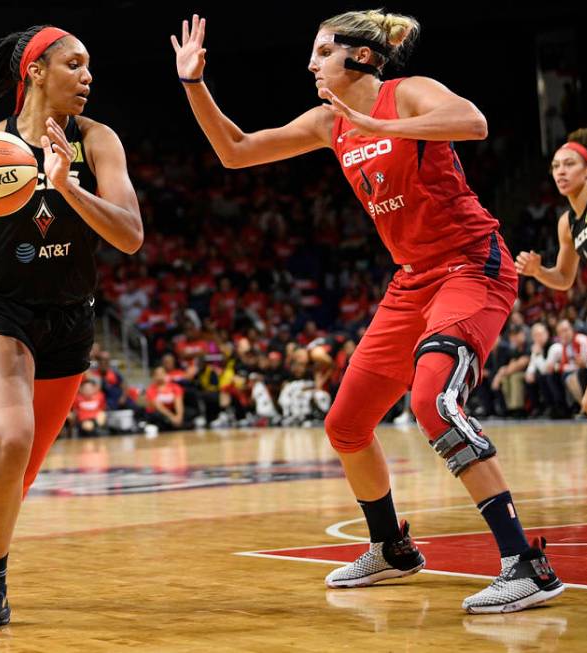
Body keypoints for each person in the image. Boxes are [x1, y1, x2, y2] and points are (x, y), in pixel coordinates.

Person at [172, 9, 562, 613]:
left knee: (432, 400)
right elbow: (236, 150)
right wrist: (194, 84)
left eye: (322, 51)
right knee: (345, 423)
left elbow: (474, 122)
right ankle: (390, 548)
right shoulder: (330, 122)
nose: (310, 63)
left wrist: (378, 122)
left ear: (360, 57)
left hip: (470, 264)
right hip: (412, 281)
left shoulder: (407, 94)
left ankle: (525, 565)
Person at [0, 25, 142, 633]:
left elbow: (129, 235)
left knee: (25, 467)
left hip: (71, 318)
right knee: (11, 439)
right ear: (36, 71)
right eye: (75, 64)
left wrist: (68, 185)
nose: (88, 76)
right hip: (2, 311)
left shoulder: (97, 142)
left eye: (90, 65)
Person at [515, 128, 587, 419]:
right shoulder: (567, 223)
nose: (561, 172)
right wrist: (538, 272)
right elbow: (564, 279)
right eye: (555, 166)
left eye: (569, 164)